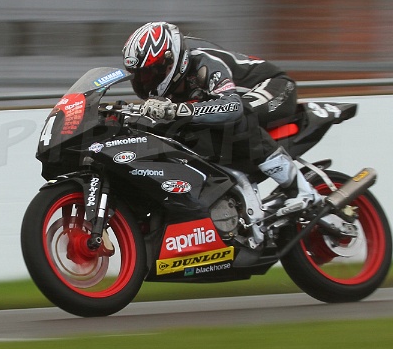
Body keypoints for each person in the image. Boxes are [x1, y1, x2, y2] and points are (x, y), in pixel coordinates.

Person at [122, 21, 320, 216]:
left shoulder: (203, 62)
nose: (144, 81)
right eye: (139, 75)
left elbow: (232, 107)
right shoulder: (171, 84)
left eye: (150, 73)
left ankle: (302, 190)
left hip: (273, 87)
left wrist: (178, 110)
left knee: (242, 115)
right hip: (234, 102)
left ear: (171, 60)